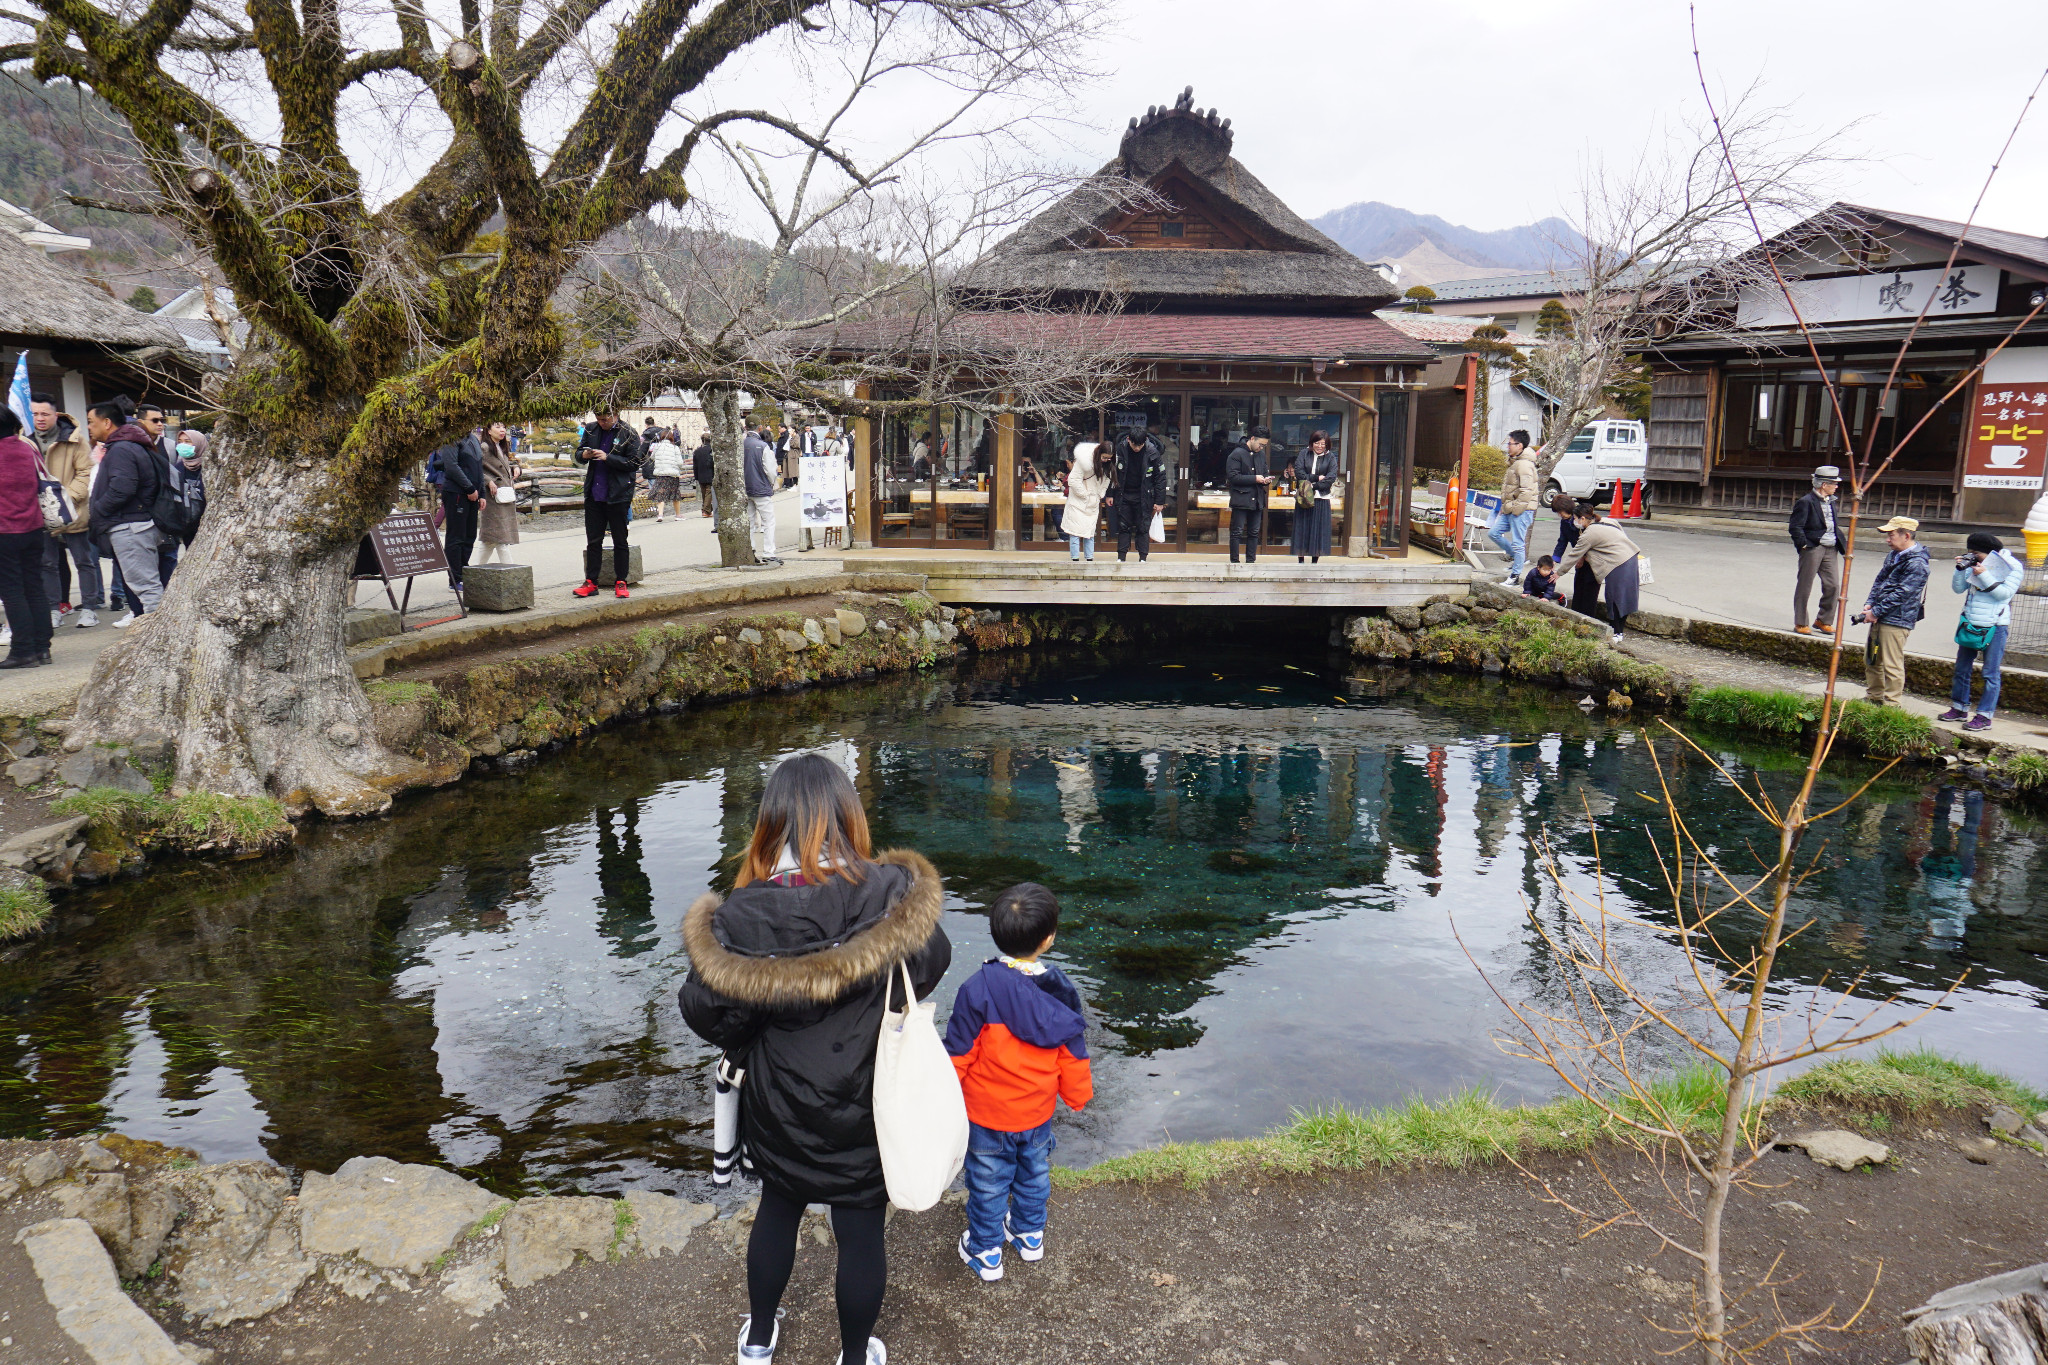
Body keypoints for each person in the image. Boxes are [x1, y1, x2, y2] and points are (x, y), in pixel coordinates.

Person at [678, 753, 949, 1365]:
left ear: (771, 825)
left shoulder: (744, 914)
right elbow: (930, 966)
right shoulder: (889, 894)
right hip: (867, 1104)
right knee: (860, 1236)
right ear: (847, 816)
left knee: (777, 1214)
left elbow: (707, 1014)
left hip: (781, 1107)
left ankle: (757, 1340)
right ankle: (855, 1356)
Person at [944, 882, 1091, 1283]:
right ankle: (1028, 1235)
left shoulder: (977, 989)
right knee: (1034, 1173)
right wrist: (1077, 1096)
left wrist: (940, 1100)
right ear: (1049, 939)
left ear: (995, 932)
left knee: (988, 1182)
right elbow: (1073, 1052)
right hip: (1037, 1111)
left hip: (987, 1114)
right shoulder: (1061, 992)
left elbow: (959, 1054)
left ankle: (986, 1250)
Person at [86, 400, 167, 618]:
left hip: (131, 527)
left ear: (106, 422)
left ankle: (157, 636)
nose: (89, 427)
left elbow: (123, 489)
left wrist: (98, 510)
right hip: (133, 524)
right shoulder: (128, 445)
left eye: (91, 422)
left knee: (146, 587)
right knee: (145, 584)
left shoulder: (122, 448)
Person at [28, 393, 99, 629]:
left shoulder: (75, 439)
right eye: (35, 413)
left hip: (74, 510)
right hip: (41, 513)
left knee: (83, 560)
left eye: (44, 414)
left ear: (55, 415)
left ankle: (89, 608)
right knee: (47, 563)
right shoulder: (26, 441)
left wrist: (65, 498)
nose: (39, 418)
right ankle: (53, 609)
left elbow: (84, 473)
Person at [1939, 532, 2020, 731]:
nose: (1974, 556)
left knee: (1990, 673)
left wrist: (1983, 574)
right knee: (1961, 669)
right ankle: (1959, 707)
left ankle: (1984, 716)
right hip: (1971, 622)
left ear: (1991, 552)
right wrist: (1961, 570)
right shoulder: (1973, 564)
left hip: (1995, 625)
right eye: (1970, 553)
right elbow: (1958, 589)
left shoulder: (2012, 566)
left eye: (1976, 553)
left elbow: (2003, 594)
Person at [1849, 516, 1929, 707]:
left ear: (1906, 536)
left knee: (1892, 663)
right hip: (1880, 614)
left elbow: (1903, 593)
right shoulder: (1895, 554)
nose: (1887, 539)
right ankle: (1874, 697)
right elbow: (1880, 580)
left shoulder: (1918, 563)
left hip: (1897, 619)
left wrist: (1876, 611)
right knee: (1872, 658)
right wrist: (1870, 604)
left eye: (1891, 535)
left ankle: (1892, 703)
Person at [0, 408, 53, 667]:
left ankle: (23, 651)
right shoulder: (27, 449)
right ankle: (43, 648)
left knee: (12, 590)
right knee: (34, 586)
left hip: (4, 531)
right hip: (33, 527)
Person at [572, 408, 642, 598]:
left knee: (620, 540)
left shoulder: (627, 432)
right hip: (595, 493)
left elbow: (635, 462)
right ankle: (591, 582)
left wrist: (608, 457)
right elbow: (578, 454)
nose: (602, 422)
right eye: (599, 419)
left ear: (615, 415)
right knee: (593, 541)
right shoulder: (591, 429)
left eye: (606, 419)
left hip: (618, 494)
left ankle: (621, 581)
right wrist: (584, 455)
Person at [1555, 502, 1643, 645]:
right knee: (1625, 596)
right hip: (1631, 557)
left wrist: (1558, 573)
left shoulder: (1589, 533)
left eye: (1576, 519)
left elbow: (1574, 555)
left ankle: (1616, 631)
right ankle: (1619, 632)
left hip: (1617, 564)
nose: (1575, 522)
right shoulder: (1608, 521)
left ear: (1582, 518)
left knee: (1614, 597)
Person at [1788, 465, 1845, 635]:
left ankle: (1823, 620)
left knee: (1833, 585)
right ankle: (1801, 622)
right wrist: (1804, 544)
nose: (1836, 486)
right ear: (1823, 484)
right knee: (1805, 585)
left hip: (1830, 548)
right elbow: (1795, 526)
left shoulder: (1831, 501)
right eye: (1833, 483)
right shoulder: (1806, 502)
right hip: (1813, 547)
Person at [432, 426, 485, 592]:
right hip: (456, 492)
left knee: (470, 535)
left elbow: (479, 467)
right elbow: (451, 466)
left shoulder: (473, 439)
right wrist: (469, 488)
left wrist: (481, 493)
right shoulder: (451, 438)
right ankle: (454, 578)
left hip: (474, 493)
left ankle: (464, 571)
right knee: (456, 536)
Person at [1109, 426, 1166, 563]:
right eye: (1134, 445)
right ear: (1128, 440)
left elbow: (1160, 478)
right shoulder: (1120, 450)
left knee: (1143, 527)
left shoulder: (1153, 452)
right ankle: (1121, 557)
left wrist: (1159, 501)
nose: (1137, 448)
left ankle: (1143, 558)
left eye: (1140, 445)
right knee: (1123, 526)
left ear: (1145, 441)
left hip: (1144, 496)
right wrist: (1110, 494)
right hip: (1124, 494)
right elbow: (1112, 474)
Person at [1490, 430, 1540, 586]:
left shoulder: (1524, 465)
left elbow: (1527, 491)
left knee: (1518, 543)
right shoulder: (1516, 461)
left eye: (1510, 444)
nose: (1508, 447)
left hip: (1521, 510)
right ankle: (1519, 559)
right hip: (1510, 508)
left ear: (1520, 445)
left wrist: (1515, 508)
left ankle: (1515, 576)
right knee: (1494, 533)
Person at [1284, 430, 1337, 564]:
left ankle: (1315, 560)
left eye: (1323, 444)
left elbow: (1330, 478)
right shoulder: (1304, 453)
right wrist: (1315, 478)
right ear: (1312, 443)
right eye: (1317, 443)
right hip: (1304, 497)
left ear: (1327, 444)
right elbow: (1299, 472)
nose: (1319, 446)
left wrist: (1313, 486)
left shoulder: (1331, 458)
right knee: (1302, 528)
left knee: (1318, 531)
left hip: (1321, 497)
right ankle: (1300, 560)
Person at [1225, 426, 1273, 564]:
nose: (1261, 448)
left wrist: (1265, 479)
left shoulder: (1261, 455)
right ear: (1252, 439)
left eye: (1264, 445)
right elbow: (1233, 477)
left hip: (1257, 499)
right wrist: (1255, 479)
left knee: (1254, 532)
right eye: (1260, 444)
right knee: (1237, 532)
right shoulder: (1236, 454)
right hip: (1241, 498)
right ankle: (1234, 562)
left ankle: (1251, 561)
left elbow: (1264, 472)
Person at [1548, 492, 1600, 617]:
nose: (1560, 515)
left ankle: (1588, 618)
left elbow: (1589, 542)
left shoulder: (1582, 521)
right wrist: (1555, 559)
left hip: (1592, 559)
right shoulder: (1565, 522)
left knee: (1589, 590)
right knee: (1579, 586)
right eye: (1558, 513)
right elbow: (1562, 541)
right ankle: (1576, 615)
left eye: (1561, 512)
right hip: (1579, 558)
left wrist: (1581, 557)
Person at [477, 421, 522, 565]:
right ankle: (512, 574)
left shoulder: (500, 446)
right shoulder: (484, 447)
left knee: (490, 539)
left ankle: (476, 571)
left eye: (503, 427)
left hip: (503, 494)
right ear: (488, 431)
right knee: (500, 538)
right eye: (497, 427)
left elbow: (504, 464)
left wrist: (515, 467)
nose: (502, 430)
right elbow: (474, 468)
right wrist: (488, 481)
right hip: (493, 496)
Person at [1059, 441, 1109, 562]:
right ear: (1098, 453)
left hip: (1092, 502)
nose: (1106, 460)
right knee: (1075, 533)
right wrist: (1086, 495)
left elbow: (1107, 481)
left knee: (1089, 533)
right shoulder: (1083, 461)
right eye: (1104, 457)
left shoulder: (1108, 465)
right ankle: (1075, 559)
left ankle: (1089, 559)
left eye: (1109, 458)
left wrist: (1099, 494)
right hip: (1079, 501)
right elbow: (1073, 481)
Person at [744, 423, 781, 565]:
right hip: (761, 487)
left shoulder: (740, 444)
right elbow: (770, 470)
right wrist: (771, 483)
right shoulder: (763, 446)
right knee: (768, 521)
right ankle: (769, 552)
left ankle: (751, 550)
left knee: (749, 521)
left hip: (745, 488)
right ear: (759, 428)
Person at [645, 427, 684, 522]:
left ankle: (660, 515)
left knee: (660, 494)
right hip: (672, 474)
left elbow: (652, 457)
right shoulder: (675, 448)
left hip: (660, 473)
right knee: (675, 495)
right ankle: (678, 515)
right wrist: (678, 468)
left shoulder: (657, 446)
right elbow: (680, 463)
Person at [692, 432, 716, 518]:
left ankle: (707, 510)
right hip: (710, 474)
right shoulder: (712, 450)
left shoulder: (697, 451)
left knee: (704, 493)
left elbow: (695, 465)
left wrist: (696, 476)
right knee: (709, 493)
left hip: (700, 474)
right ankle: (706, 510)